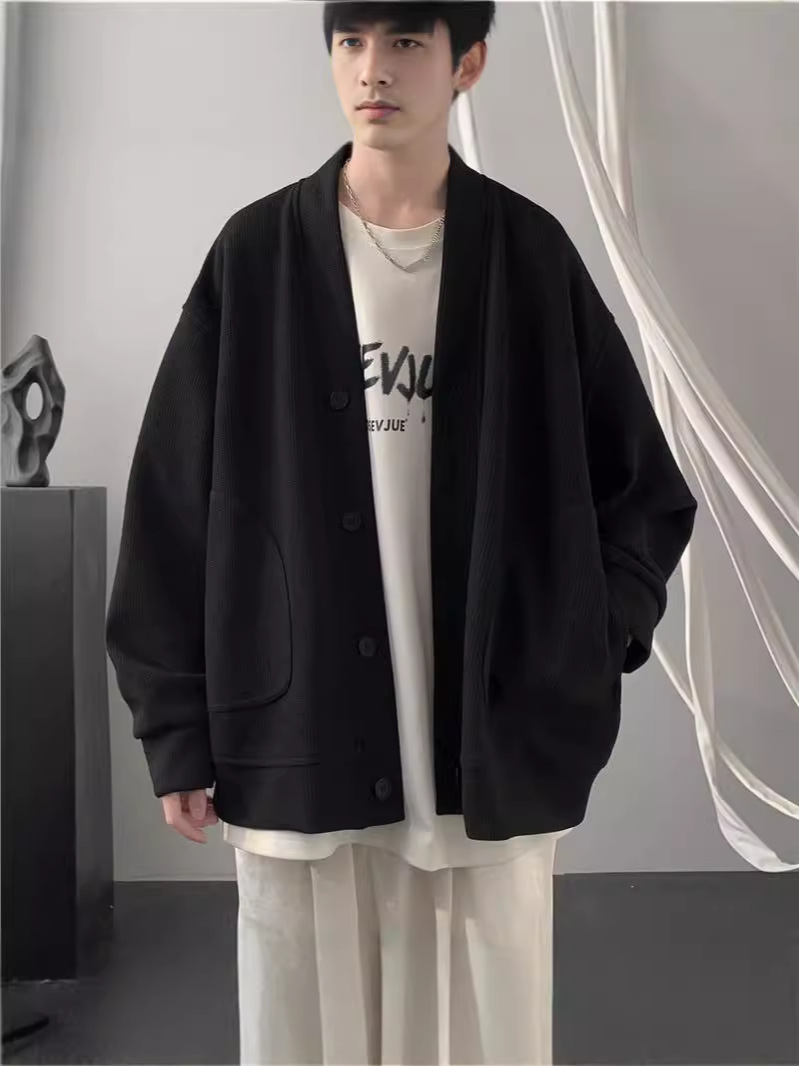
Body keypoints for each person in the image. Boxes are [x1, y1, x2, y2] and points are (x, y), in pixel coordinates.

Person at [105, 2, 698, 1063]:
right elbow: (168, 507)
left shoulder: (526, 256)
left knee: (483, 1031)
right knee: (303, 1028)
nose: (371, 70)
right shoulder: (255, 258)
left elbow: (644, 489)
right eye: (350, 42)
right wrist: (173, 728)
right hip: (294, 735)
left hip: (487, 746)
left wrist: (581, 640)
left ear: (467, 63)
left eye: (407, 42)